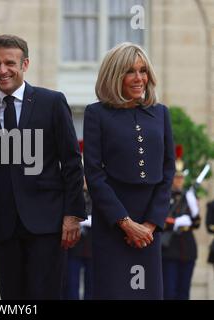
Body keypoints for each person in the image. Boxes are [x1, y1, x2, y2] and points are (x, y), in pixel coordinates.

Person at [0, 34, 86, 299]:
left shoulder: (51, 102)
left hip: (47, 225)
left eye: (9, 63)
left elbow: (72, 162)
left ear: (25, 64)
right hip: (4, 227)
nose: (2, 70)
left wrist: (73, 215)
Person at [83, 42, 176, 299]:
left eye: (143, 70)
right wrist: (125, 224)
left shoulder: (160, 114)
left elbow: (168, 170)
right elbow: (94, 174)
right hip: (113, 227)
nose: (139, 78)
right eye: (130, 71)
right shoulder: (96, 114)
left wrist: (149, 225)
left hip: (149, 229)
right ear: (115, 76)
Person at [162, 169, 200, 300]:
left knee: (184, 292)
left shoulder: (188, 197)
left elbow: (196, 222)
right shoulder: (164, 196)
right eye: (176, 178)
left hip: (188, 250)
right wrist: (176, 222)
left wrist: (194, 207)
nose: (179, 181)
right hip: (169, 249)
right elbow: (160, 220)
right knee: (169, 292)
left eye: (181, 178)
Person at [63, 178, 93, 300]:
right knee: (71, 283)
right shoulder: (71, 193)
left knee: (92, 285)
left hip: (92, 245)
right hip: (73, 245)